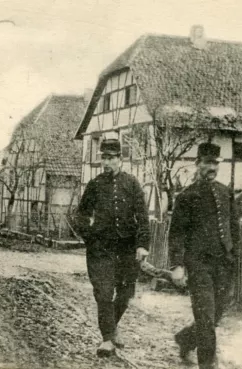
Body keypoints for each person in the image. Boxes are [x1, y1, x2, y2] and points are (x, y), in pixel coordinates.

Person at [75, 138, 150, 357]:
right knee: (105, 294)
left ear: (120, 159)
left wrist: (142, 245)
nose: (106, 162)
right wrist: (89, 237)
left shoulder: (132, 184)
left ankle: (111, 326)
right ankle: (107, 339)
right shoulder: (95, 185)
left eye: (111, 158)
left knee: (125, 293)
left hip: (126, 249)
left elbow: (143, 217)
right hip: (101, 249)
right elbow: (81, 215)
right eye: (104, 158)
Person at [169, 142, 239, 369]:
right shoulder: (186, 197)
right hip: (199, 265)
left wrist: (234, 255)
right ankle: (208, 365)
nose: (212, 168)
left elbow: (233, 227)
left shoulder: (225, 192)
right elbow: (177, 233)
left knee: (216, 313)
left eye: (215, 164)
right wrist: (177, 265)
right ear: (197, 164)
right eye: (208, 163)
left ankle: (186, 338)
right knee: (206, 316)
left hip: (223, 264)